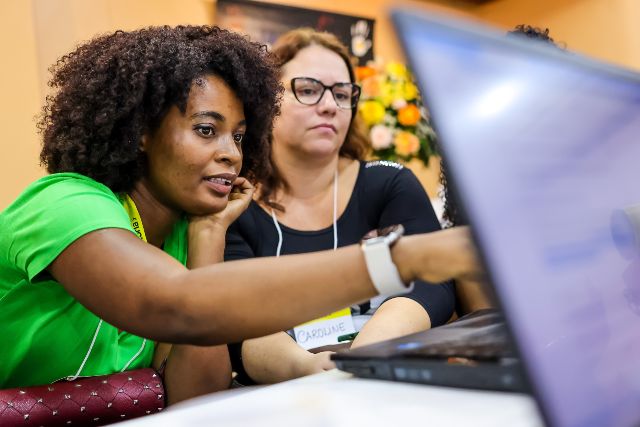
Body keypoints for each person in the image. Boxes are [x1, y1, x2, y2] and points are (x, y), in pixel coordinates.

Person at [0, 25, 480, 405]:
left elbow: (196, 395)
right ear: (141, 132)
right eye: (207, 130)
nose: (231, 153)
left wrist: (209, 235)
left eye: (239, 136)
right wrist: (401, 259)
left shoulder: (187, 232)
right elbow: (173, 303)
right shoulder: (66, 202)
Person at [224, 28, 457, 385]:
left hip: (385, 380)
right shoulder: (236, 202)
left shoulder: (389, 184)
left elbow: (434, 283)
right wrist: (305, 369)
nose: (331, 105)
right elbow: (235, 321)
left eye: (343, 93)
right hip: (280, 395)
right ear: (267, 100)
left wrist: (363, 359)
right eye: (308, 90)